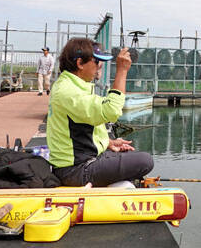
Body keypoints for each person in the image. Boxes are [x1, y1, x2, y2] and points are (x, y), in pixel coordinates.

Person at [47, 37, 153, 187]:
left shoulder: (70, 85)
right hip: (76, 170)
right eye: (96, 62)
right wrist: (122, 71)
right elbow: (111, 111)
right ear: (80, 63)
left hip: (78, 163)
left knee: (131, 156)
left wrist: (108, 142)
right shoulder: (68, 92)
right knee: (145, 161)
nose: (99, 67)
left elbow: (79, 130)